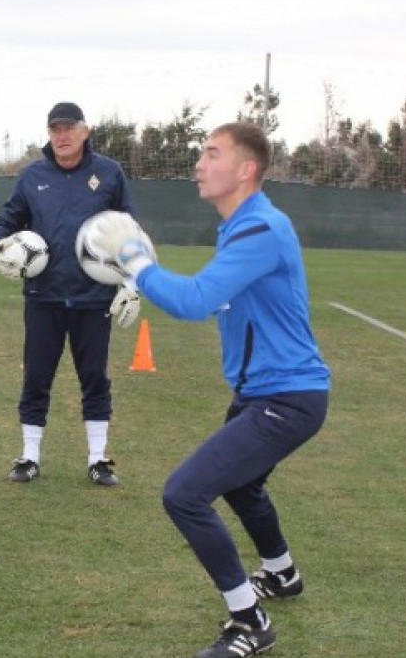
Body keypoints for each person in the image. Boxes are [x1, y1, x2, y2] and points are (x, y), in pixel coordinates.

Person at [91, 122, 330, 657]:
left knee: (185, 494)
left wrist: (137, 263)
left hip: (288, 398)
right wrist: (142, 281)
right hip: (264, 393)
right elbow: (218, 297)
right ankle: (282, 574)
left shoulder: (260, 228)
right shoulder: (242, 225)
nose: (198, 163)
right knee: (242, 486)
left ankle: (250, 621)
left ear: (246, 169)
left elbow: (197, 299)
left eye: (211, 153)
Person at [0, 101, 141, 487]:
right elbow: (8, 220)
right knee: (37, 377)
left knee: (94, 378)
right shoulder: (32, 176)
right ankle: (29, 457)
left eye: (69, 128)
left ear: (85, 131)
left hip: (94, 298)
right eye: (56, 129)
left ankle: (98, 459)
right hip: (44, 296)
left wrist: (132, 282)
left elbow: (129, 229)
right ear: (49, 133)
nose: (62, 135)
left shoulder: (109, 173)